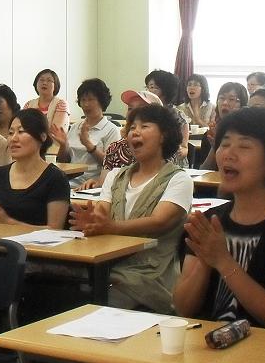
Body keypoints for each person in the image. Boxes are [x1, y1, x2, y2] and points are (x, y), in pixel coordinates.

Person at [174, 107, 265, 330]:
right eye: (224, 144)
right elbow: (184, 308)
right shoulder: (210, 222)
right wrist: (206, 258)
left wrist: (222, 260)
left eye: (244, 146)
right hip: (204, 351)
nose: (229, 154)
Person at [71, 104, 193, 313]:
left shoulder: (178, 179)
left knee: (94, 303)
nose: (134, 132)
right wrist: (93, 222)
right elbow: (102, 213)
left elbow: (159, 221)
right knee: (64, 292)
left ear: (164, 136)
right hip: (108, 266)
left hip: (150, 274)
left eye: (144, 126)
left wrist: (110, 227)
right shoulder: (115, 175)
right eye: (132, 127)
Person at [0, 108, 70, 229]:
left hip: (38, 247)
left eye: (21, 132)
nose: (13, 139)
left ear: (42, 137)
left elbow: (55, 229)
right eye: (10, 133)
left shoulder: (56, 178)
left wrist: (9, 222)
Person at [51, 78, 121, 183]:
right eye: (83, 100)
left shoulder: (111, 130)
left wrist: (89, 145)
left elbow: (111, 164)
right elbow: (64, 161)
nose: (86, 104)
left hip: (92, 184)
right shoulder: (75, 127)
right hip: (69, 181)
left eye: (91, 99)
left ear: (102, 101)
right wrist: (63, 145)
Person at [198, 81, 248, 168]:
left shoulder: (248, 135)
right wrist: (215, 147)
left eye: (231, 99)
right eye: (221, 98)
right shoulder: (211, 134)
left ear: (242, 105)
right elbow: (202, 171)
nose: (225, 103)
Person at [144, 69, 189, 162]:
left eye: (152, 87)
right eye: (147, 87)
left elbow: (184, 147)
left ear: (165, 90)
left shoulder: (178, 115)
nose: (148, 91)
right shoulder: (143, 112)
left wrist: (183, 151)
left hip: (172, 161)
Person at [24, 68, 70, 135]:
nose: (44, 83)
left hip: (54, 143)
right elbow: (23, 128)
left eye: (49, 80)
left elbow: (55, 131)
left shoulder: (61, 103)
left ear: (55, 85)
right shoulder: (28, 105)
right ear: (36, 84)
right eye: (41, 80)